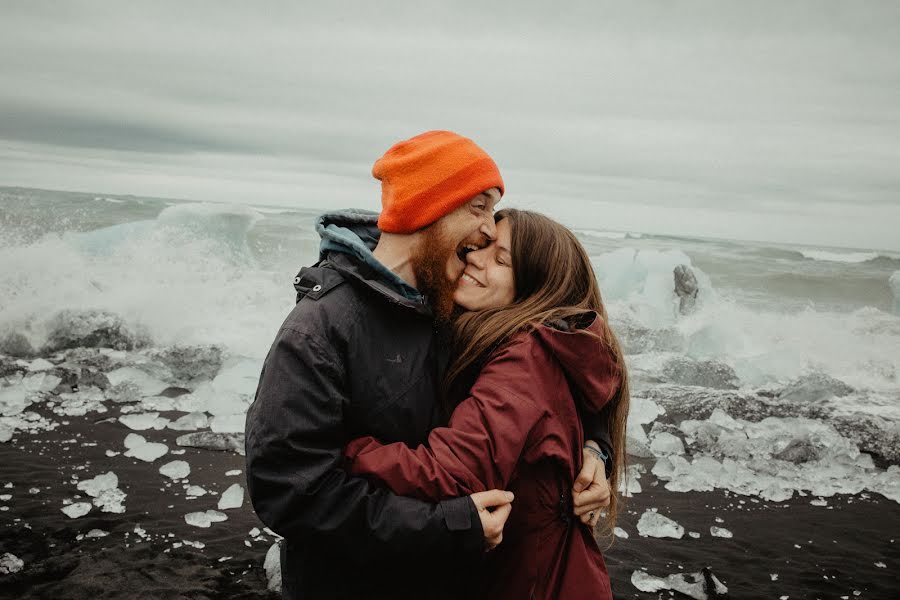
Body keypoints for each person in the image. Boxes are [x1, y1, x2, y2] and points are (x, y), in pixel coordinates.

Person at [245, 131, 613, 600]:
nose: (486, 231)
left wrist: (594, 450)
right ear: (431, 208)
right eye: (479, 208)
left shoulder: (456, 304)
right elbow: (290, 493)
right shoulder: (318, 330)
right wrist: (446, 527)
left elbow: (557, 368)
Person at [344, 209, 629, 600]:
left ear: (535, 287)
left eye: (501, 259)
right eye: (480, 247)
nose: (475, 258)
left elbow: (453, 473)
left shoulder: (524, 358)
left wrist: (348, 450)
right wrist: (598, 447)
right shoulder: (525, 341)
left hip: (536, 583)